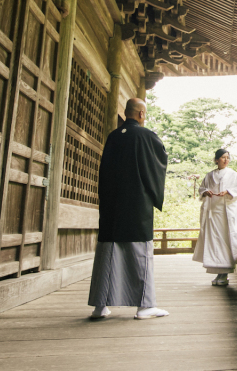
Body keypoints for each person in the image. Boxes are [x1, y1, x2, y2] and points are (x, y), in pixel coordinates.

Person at [87, 97, 169, 319]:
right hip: (136, 206)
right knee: (141, 253)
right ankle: (144, 306)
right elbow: (158, 165)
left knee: (107, 253)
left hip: (112, 207)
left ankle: (99, 306)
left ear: (126, 113)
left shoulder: (113, 137)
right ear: (141, 114)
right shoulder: (147, 137)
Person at [192, 149, 237, 285]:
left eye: (228, 157)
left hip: (226, 214)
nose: (226, 160)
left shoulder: (233, 174)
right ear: (216, 160)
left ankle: (224, 274)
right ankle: (220, 274)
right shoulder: (209, 176)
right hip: (213, 214)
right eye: (223, 157)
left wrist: (228, 191)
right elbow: (201, 189)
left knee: (226, 241)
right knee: (216, 242)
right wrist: (206, 192)